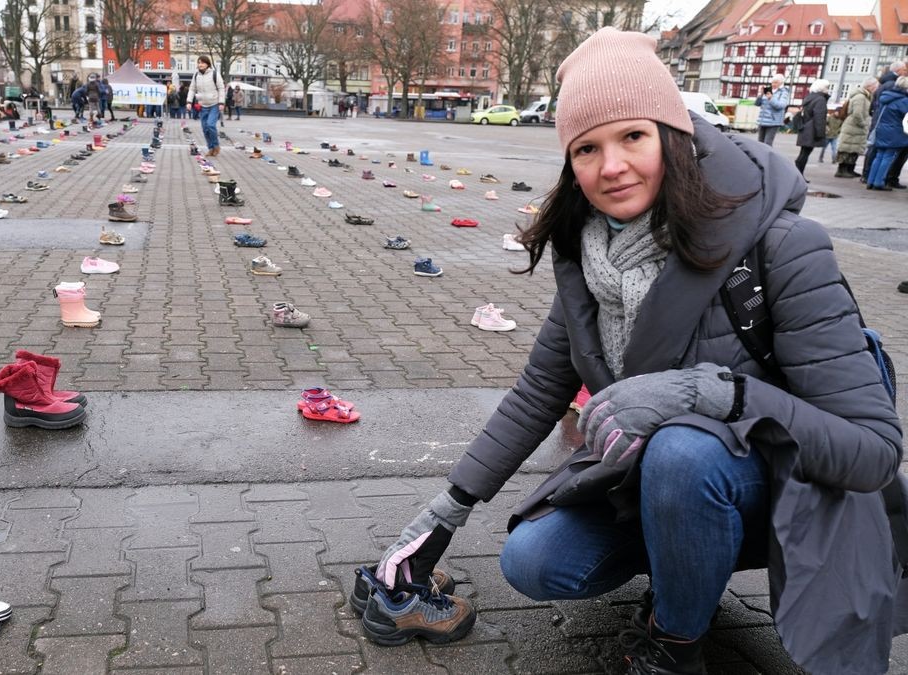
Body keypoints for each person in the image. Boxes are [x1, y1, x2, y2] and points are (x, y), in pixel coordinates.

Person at [370, 27, 905, 675]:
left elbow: (873, 451)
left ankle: (677, 642)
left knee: (685, 451)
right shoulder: (589, 254)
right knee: (532, 561)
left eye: (633, 136)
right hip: (658, 485)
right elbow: (538, 391)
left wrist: (716, 393)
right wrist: (446, 509)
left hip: (788, 491)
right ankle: (689, 562)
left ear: (672, 139)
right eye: (587, 147)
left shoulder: (783, 248)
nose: (611, 165)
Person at [866, 76, 908, 191]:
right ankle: (879, 182)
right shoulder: (904, 101)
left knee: (879, 156)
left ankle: (870, 181)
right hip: (894, 131)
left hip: (881, 129)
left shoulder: (886, 97)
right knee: (888, 157)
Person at [836, 76, 876, 178]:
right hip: (853, 126)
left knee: (854, 149)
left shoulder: (864, 96)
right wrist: (863, 124)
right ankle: (842, 170)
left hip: (855, 127)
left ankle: (849, 169)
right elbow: (857, 113)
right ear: (870, 86)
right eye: (875, 86)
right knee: (847, 148)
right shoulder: (861, 97)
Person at [188, 55, 226, 155]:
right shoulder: (196, 75)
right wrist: (188, 102)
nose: (200, 64)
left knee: (210, 125)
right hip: (202, 105)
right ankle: (211, 148)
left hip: (214, 104)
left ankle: (216, 145)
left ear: (207, 64)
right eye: (199, 62)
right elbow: (192, 89)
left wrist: (221, 102)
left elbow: (221, 88)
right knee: (205, 128)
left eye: (202, 63)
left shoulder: (214, 74)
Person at [793, 79, 829, 176]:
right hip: (812, 129)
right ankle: (798, 174)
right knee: (805, 154)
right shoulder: (820, 100)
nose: (828, 89)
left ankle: (798, 174)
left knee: (803, 153)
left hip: (805, 127)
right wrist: (820, 133)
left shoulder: (810, 97)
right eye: (827, 87)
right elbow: (819, 117)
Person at [755, 73, 790, 145]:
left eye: (776, 82)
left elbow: (781, 105)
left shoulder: (784, 92)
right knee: (759, 143)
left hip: (773, 122)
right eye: (772, 82)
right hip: (762, 120)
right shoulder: (768, 90)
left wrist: (771, 98)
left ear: (781, 83)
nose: (773, 84)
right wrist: (761, 94)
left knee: (767, 143)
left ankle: (767, 156)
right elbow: (757, 104)